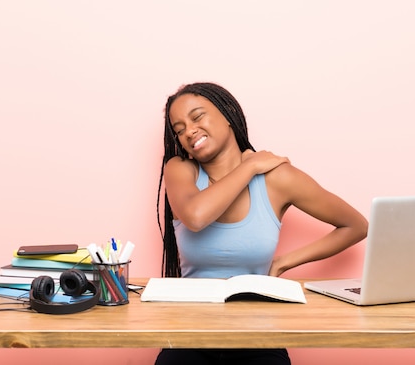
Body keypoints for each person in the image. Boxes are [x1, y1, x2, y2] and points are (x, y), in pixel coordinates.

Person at [155, 82, 368, 365]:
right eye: (179, 129)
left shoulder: (276, 179)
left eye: (197, 117)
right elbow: (195, 216)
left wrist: (284, 262)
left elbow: (356, 225)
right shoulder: (180, 170)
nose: (189, 131)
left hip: (259, 335)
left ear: (228, 114)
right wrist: (250, 166)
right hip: (189, 334)